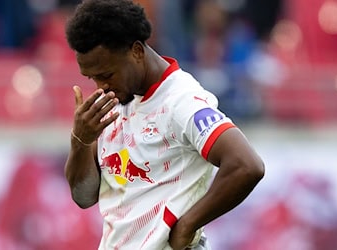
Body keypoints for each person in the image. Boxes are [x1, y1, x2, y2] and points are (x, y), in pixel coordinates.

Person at [63, 0, 265, 249]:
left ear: (136, 51)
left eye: (106, 75)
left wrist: (189, 224)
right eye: (92, 78)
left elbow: (246, 165)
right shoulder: (114, 100)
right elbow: (84, 197)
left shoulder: (181, 101)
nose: (100, 86)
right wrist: (81, 140)